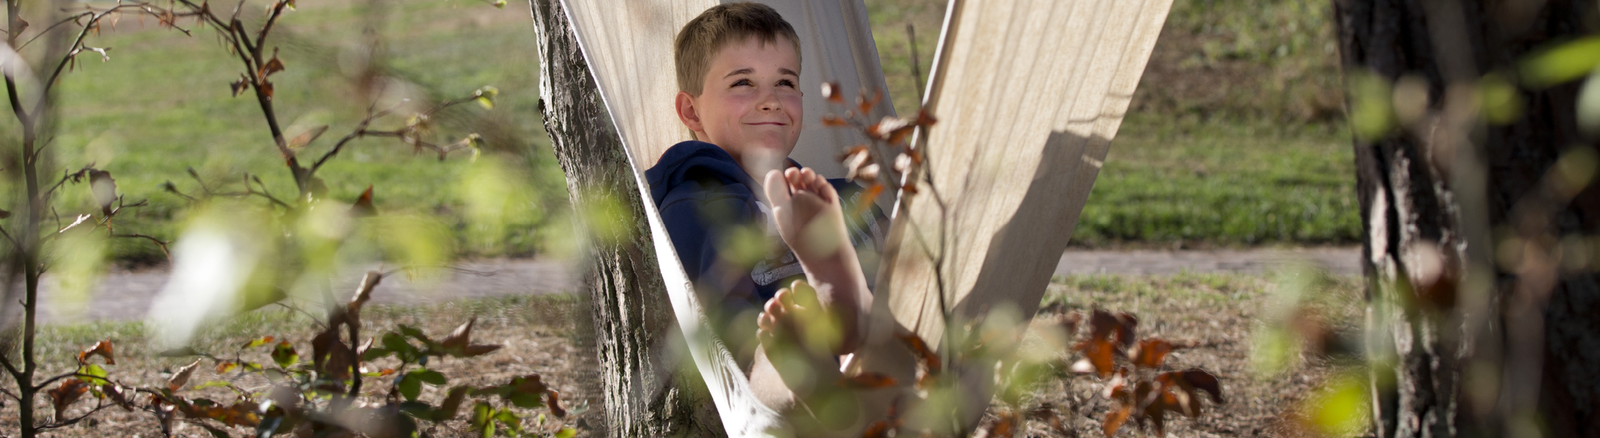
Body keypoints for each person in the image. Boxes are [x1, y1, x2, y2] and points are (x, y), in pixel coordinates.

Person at [643, 2, 883, 420]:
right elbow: (725, 321)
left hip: (876, 366)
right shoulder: (698, 200)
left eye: (785, 83)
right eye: (743, 84)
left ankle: (844, 306)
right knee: (762, 357)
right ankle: (802, 361)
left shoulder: (826, 197)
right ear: (691, 111)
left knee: (877, 233)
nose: (771, 100)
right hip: (764, 378)